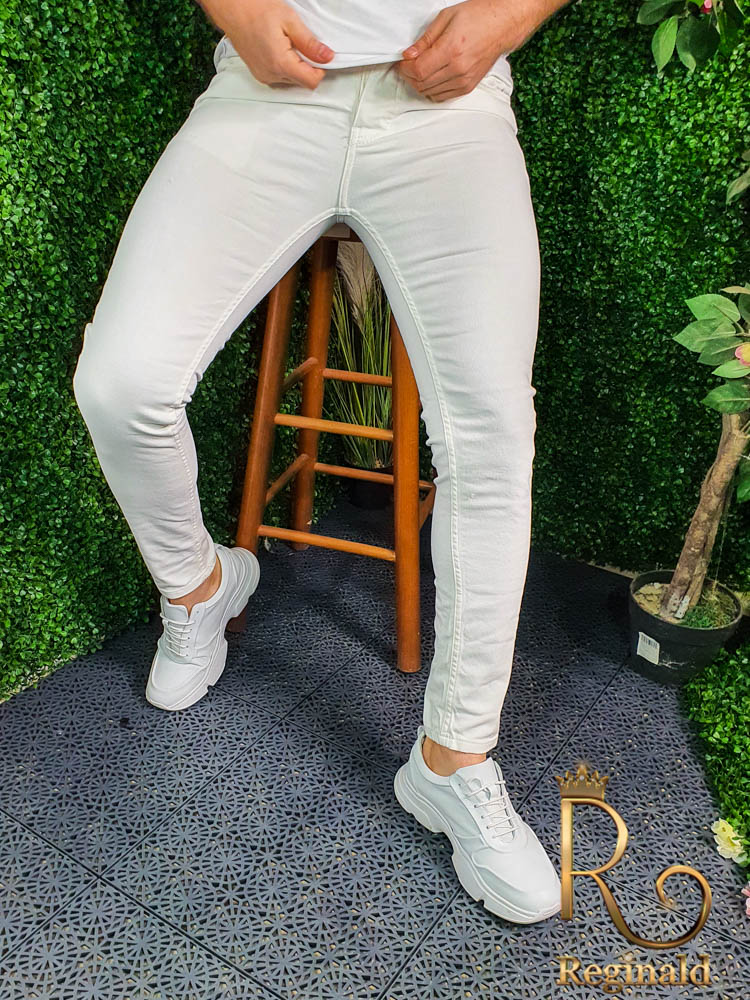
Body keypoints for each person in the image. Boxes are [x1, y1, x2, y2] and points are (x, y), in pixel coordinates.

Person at [73, 0, 572, 924]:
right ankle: (198, 587)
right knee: (120, 382)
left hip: (447, 110)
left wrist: (506, 20)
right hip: (267, 92)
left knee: (494, 433)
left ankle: (453, 758)